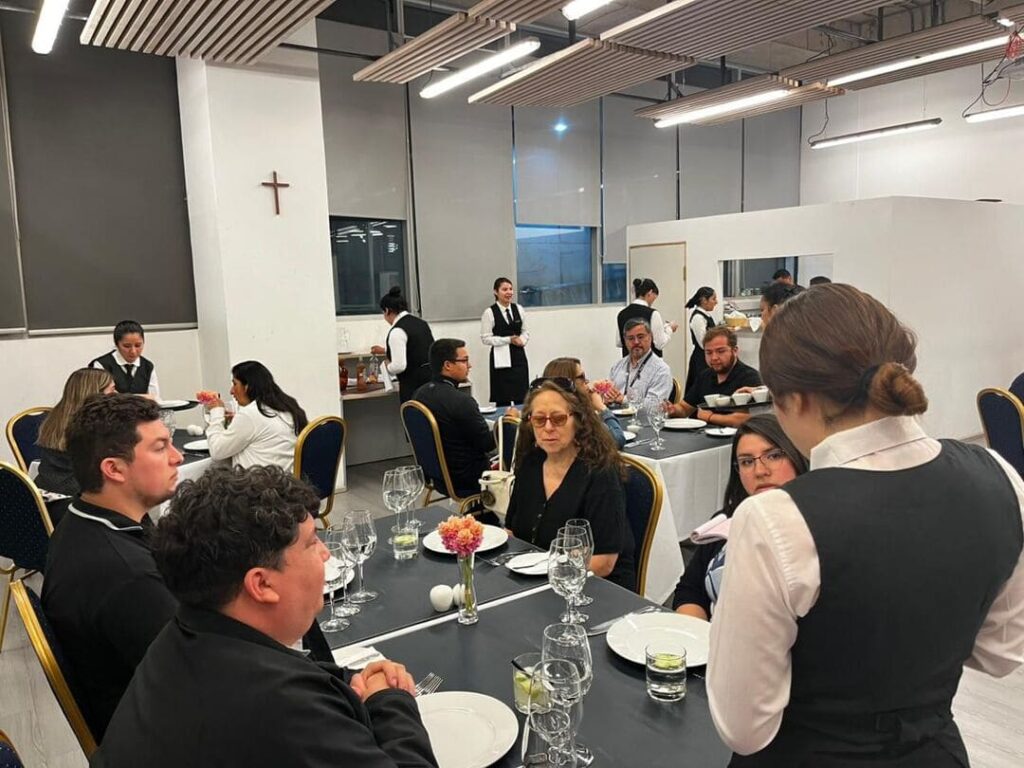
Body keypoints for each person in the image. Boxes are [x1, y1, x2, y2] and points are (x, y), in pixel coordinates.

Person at [707, 284, 1024, 766]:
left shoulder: (776, 518)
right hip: (934, 752)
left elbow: (744, 727)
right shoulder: (1001, 477)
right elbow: (1000, 655)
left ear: (795, 397)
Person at [93, 465, 438, 767]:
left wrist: (352, 681)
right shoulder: (280, 709)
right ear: (261, 583)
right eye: (312, 543)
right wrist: (391, 700)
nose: (325, 554)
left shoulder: (182, 637)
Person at [41, 395, 182, 740]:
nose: (178, 457)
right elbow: (205, 679)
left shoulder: (83, 519)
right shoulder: (126, 576)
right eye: (161, 447)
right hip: (161, 738)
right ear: (114, 469)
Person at [506, 379, 635, 591]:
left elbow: (604, 563)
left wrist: (546, 575)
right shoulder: (530, 463)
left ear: (579, 420)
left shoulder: (601, 473)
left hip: (594, 588)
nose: (548, 428)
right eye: (539, 419)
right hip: (536, 582)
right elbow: (511, 530)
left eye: (558, 419)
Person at [673, 415, 807, 620]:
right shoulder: (725, 522)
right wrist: (697, 638)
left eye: (773, 456)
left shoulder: (816, 531)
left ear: (796, 455)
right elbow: (690, 591)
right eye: (746, 462)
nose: (760, 471)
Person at [411, 339, 495, 497]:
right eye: (464, 361)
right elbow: (487, 444)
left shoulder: (419, 395)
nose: (470, 366)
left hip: (436, 477)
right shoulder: (462, 401)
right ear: (447, 365)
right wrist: (505, 424)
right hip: (468, 479)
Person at [35, 368, 116, 510]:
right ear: (96, 394)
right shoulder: (90, 426)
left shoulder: (55, 417)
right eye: (112, 390)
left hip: (45, 494)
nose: (117, 395)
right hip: (73, 500)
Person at [205, 361, 308, 472]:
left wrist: (216, 412)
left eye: (235, 384)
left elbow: (216, 451)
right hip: (287, 482)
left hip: (257, 486)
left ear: (248, 387)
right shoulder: (288, 406)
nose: (231, 391)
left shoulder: (250, 415)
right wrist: (239, 422)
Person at [668, 327, 761, 427]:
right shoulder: (704, 376)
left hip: (735, 440)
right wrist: (672, 409)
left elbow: (745, 420)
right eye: (709, 352)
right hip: (702, 438)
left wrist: (710, 417)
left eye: (720, 351)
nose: (714, 357)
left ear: (735, 351)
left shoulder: (750, 377)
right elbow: (684, 408)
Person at [542, 357, 626, 448]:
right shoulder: (576, 416)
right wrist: (603, 409)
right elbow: (618, 440)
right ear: (569, 381)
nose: (586, 382)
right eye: (582, 377)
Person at [370, 286, 434, 404]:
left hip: (413, 387)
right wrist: (385, 350)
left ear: (387, 310)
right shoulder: (421, 324)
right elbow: (416, 349)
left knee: (415, 419)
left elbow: (399, 366)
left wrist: (387, 365)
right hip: (431, 384)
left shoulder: (397, 331)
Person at [481, 277, 530, 406]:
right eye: (504, 289)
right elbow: (485, 338)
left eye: (510, 289)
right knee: (503, 397)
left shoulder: (518, 309)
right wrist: (508, 340)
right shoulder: (489, 312)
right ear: (496, 292)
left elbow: (525, 331)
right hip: (500, 358)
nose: (509, 292)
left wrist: (522, 340)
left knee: (522, 395)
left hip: (518, 356)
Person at [602, 318, 673, 405]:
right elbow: (607, 393)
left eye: (640, 337)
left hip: (644, 418)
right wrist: (606, 398)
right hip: (615, 417)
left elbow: (654, 406)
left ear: (650, 337)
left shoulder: (661, 370)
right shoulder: (617, 366)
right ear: (625, 340)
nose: (636, 342)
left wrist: (623, 400)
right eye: (631, 338)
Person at [90, 319, 160, 397]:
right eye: (127, 346)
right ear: (117, 344)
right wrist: (143, 397)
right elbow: (101, 398)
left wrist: (120, 396)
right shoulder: (101, 365)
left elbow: (154, 398)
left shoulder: (147, 366)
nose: (133, 351)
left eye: (138, 345)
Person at [616, 278, 677, 358]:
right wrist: (670, 329)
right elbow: (660, 344)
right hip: (650, 364)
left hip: (630, 364)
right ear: (650, 292)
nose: (652, 302)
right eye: (654, 298)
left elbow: (619, 342)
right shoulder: (653, 314)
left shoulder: (621, 314)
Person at [684, 286, 718, 391]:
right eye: (713, 299)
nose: (716, 302)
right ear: (704, 300)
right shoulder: (698, 318)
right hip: (701, 360)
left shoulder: (706, 315)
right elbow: (703, 343)